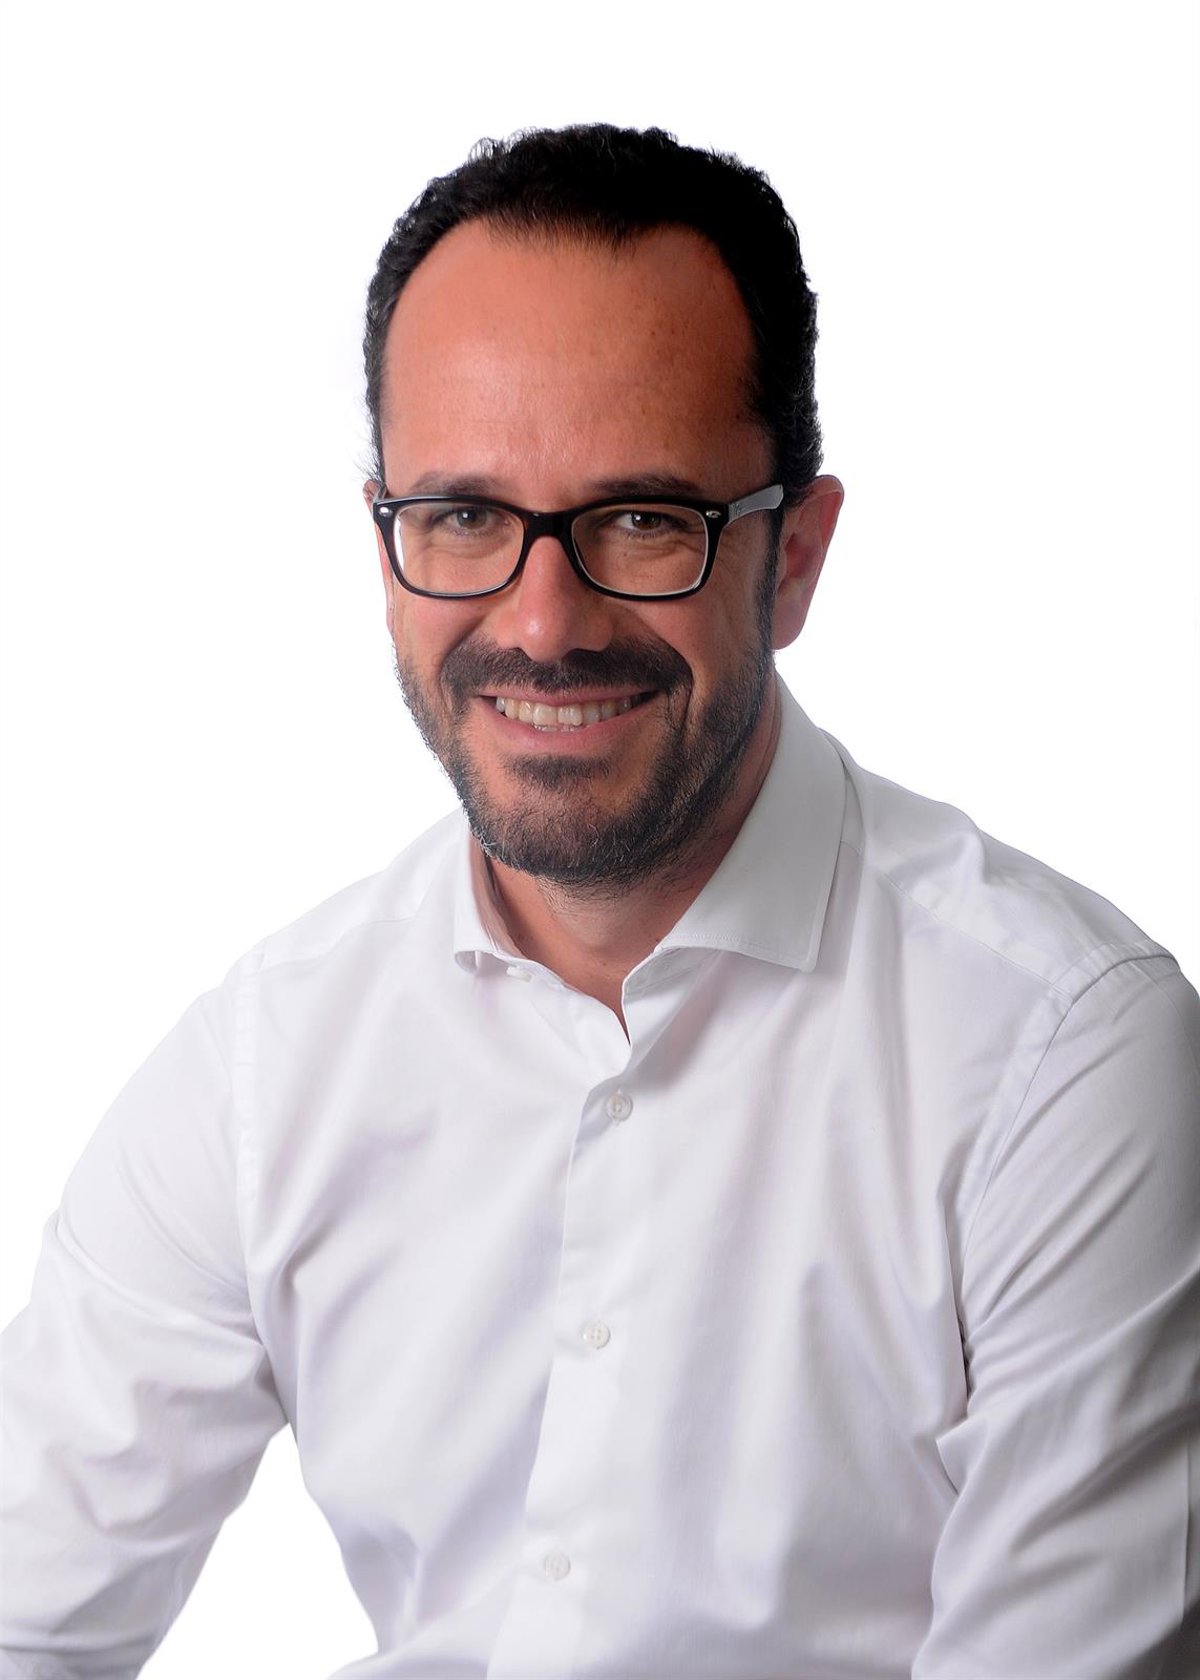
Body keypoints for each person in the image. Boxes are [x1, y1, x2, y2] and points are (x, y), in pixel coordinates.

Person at [2, 123, 1197, 1680]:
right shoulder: (266, 1062)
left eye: (641, 519)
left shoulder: (1066, 1061)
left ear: (794, 559)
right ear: (386, 545)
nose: (540, 620)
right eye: (463, 517)